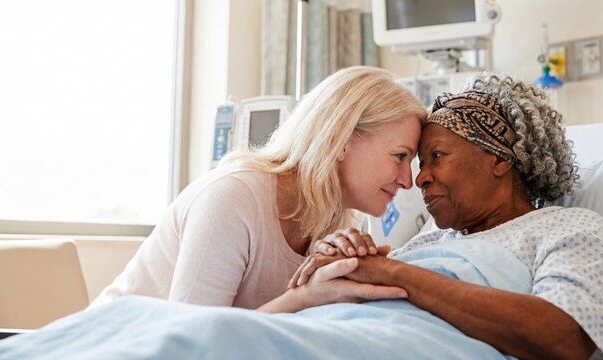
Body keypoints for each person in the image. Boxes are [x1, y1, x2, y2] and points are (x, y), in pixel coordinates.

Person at [288, 73, 603, 359]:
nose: (419, 178)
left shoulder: (569, 228)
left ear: (500, 158)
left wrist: (391, 272)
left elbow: (566, 339)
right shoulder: (428, 240)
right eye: (419, 163)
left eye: (436, 156)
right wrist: (342, 258)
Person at [90, 66, 427, 310]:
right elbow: (192, 341)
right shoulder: (233, 198)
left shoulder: (338, 225)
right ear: (341, 140)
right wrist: (302, 299)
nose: (406, 180)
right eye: (400, 156)